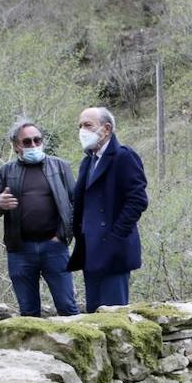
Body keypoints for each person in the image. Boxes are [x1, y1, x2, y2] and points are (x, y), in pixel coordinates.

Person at [0, 120, 79, 317]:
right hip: (20, 250)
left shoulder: (61, 167)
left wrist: (63, 234)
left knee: (68, 307)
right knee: (28, 312)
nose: (34, 145)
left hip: (55, 247)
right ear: (16, 146)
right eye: (27, 142)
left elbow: (76, 204)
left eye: (37, 140)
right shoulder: (5, 172)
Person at [66, 107, 149, 312]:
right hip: (90, 250)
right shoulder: (88, 161)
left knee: (114, 317)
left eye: (88, 125)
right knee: (94, 314)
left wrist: (116, 236)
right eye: (80, 126)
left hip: (113, 250)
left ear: (106, 129)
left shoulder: (123, 156)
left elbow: (137, 200)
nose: (82, 131)